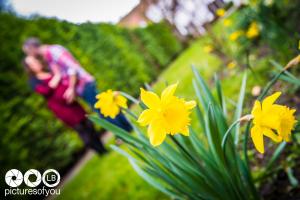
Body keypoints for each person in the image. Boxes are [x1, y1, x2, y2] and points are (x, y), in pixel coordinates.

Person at [22, 37, 132, 132]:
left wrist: (71, 88)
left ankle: (123, 132)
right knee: (106, 106)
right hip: (81, 87)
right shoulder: (48, 57)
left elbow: (72, 68)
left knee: (103, 109)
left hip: (84, 85)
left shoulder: (53, 51)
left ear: (32, 48)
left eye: (28, 52)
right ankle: (127, 128)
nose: (29, 55)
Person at [23, 56, 107, 155]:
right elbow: (45, 91)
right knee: (81, 129)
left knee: (89, 124)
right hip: (61, 109)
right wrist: (57, 76)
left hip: (72, 103)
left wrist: (70, 90)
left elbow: (64, 80)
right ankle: (97, 150)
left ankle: (103, 148)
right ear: (29, 68)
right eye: (32, 63)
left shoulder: (49, 70)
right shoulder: (33, 81)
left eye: (35, 61)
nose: (36, 63)